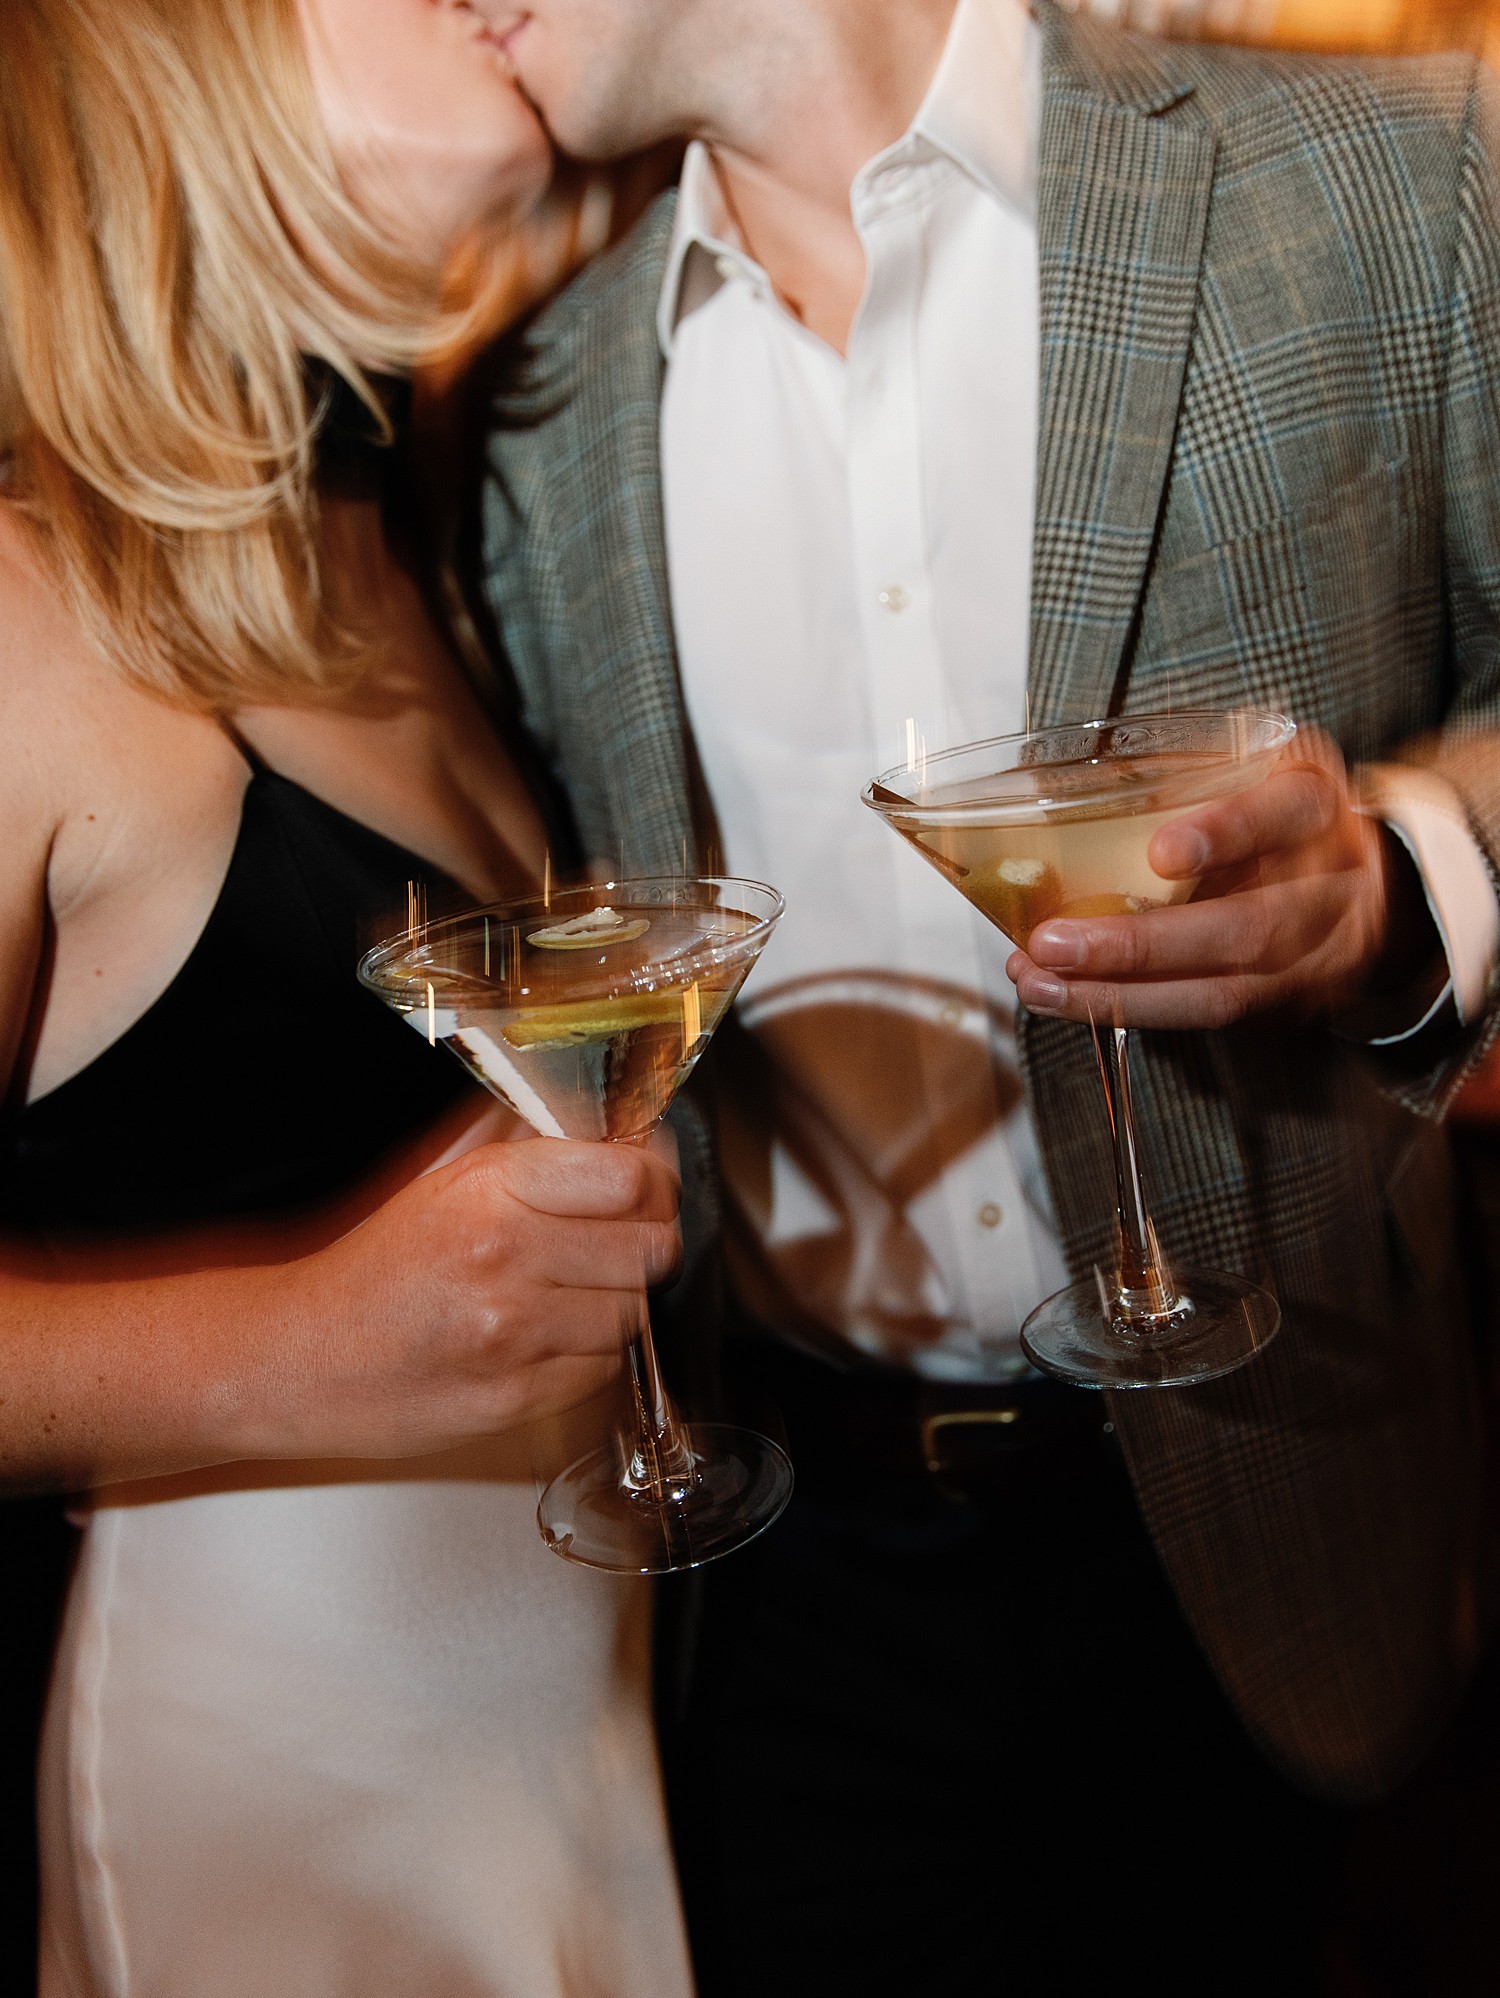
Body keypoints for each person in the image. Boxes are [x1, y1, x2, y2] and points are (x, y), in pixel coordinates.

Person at [476, 0, 1500, 1988]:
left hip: (1315, 1524)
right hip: (796, 1589)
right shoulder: (529, 414)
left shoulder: (1405, 170)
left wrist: (1404, 876)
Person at [0, 1, 692, 1992]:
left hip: (569, 1712)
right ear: (173, 60)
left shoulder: (399, 530)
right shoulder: (30, 611)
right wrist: (301, 1341)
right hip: (278, 1771)